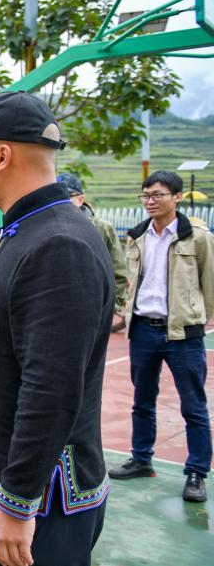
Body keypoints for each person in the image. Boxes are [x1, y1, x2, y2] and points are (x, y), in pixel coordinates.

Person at [0, 91, 113, 566]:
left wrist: (17, 503)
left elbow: (51, 387)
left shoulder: (58, 243)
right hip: (7, 484)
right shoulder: (30, 229)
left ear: (1, 155)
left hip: (37, 502)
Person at [108, 169, 213, 503]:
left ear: (177, 197)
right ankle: (141, 459)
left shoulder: (197, 237)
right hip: (143, 330)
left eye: (157, 195)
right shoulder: (137, 236)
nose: (150, 201)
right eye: (146, 195)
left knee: (193, 406)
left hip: (182, 334)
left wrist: (197, 320)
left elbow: (210, 284)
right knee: (142, 400)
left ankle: (196, 472)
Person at [57, 172, 130, 331]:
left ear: (80, 199)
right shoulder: (48, 227)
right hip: (56, 313)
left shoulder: (102, 228)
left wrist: (110, 308)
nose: (61, 203)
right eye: (57, 198)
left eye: (67, 197)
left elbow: (118, 272)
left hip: (94, 313)